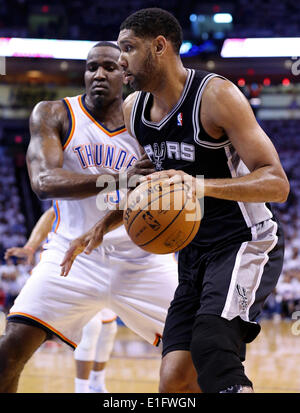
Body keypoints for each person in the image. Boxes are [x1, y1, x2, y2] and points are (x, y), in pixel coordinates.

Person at [61, 8, 289, 393]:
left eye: (128, 48)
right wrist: (99, 227)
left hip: (244, 241)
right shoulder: (135, 111)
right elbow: (147, 188)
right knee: (174, 380)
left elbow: (277, 183)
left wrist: (199, 186)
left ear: (160, 47)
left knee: (213, 347)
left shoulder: (216, 96)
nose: (121, 60)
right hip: (192, 253)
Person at [0, 41, 184, 393]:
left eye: (110, 68)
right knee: (9, 350)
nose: (98, 74)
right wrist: (120, 178)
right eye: (91, 67)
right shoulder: (55, 113)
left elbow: (169, 191)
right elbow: (43, 183)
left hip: (143, 260)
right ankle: (90, 385)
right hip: (72, 258)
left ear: (127, 75)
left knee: (200, 353)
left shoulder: (149, 123)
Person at [5, 207, 117, 394]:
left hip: (108, 261)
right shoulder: (81, 190)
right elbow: (52, 213)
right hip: (72, 258)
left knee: (108, 329)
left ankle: (97, 385)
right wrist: (31, 246)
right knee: (92, 326)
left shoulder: (122, 189)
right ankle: (81, 389)